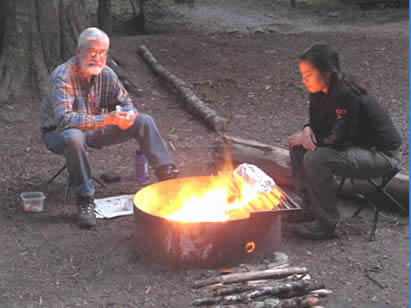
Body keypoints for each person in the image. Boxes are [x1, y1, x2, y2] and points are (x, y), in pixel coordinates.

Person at [40, 27, 178, 229]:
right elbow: (64, 119)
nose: (98, 58)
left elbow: (126, 102)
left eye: (103, 53)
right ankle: (85, 199)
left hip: (95, 128)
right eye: (92, 52)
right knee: (74, 137)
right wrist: (107, 119)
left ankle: (167, 177)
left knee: (144, 120)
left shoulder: (107, 74)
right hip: (58, 133)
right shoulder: (62, 76)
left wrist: (126, 115)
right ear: (79, 52)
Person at [287, 44, 402, 240]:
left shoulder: (345, 95)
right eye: (302, 74)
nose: (303, 79)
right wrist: (307, 130)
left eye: (308, 74)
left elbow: (338, 140)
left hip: (382, 155)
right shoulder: (319, 91)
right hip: (355, 146)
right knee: (297, 147)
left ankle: (326, 224)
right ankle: (309, 208)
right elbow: (318, 124)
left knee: (316, 158)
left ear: (327, 73)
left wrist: (310, 137)